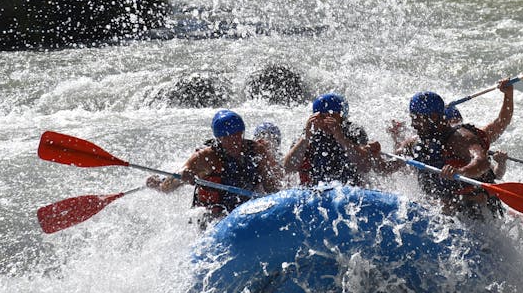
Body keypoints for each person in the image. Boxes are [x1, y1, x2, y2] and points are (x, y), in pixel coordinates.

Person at [146, 109, 281, 227]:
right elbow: (181, 173)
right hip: (213, 218)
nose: (234, 142)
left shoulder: (257, 150)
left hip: (247, 208)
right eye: (228, 138)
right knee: (168, 185)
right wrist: (184, 174)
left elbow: (272, 186)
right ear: (219, 138)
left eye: (238, 135)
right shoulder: (207, 157)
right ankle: (158, 182)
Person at [390, 91, 503, 220]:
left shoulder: (460, 138)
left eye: (416, 119)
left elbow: (482, 163)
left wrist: (461, 171)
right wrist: (373, 155)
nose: (412, 124)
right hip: (440, 209)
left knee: (456, 203)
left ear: (433, 117)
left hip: (475, 208)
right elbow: (388, 166)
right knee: (443, 204)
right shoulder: (414, 142)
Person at [283, 93, 379, 186]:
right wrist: (306, 138)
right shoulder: (308, 132)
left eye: (331, 116)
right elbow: (287, 168)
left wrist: (340, 137)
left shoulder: (354, 131)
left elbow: (365, 166)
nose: (326, 122)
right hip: (315, 189)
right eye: (322, 117)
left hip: (350, 187)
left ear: (342, 117)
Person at [442, 79, 514, 179]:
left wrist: (508, 95)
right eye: (454, 125)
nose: (458, 130)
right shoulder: (434, 146)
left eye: (459, 124)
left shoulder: (472, 139)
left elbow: (502, 122)